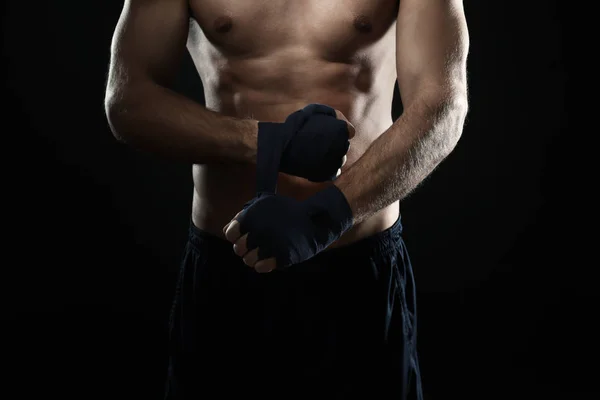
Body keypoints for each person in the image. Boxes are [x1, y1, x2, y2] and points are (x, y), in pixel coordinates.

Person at [104, 0, 468, 398]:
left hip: (356, 272)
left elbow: (442, 106)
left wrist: (323, 216)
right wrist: (266, 143)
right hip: (230, 270)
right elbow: (128, 99)